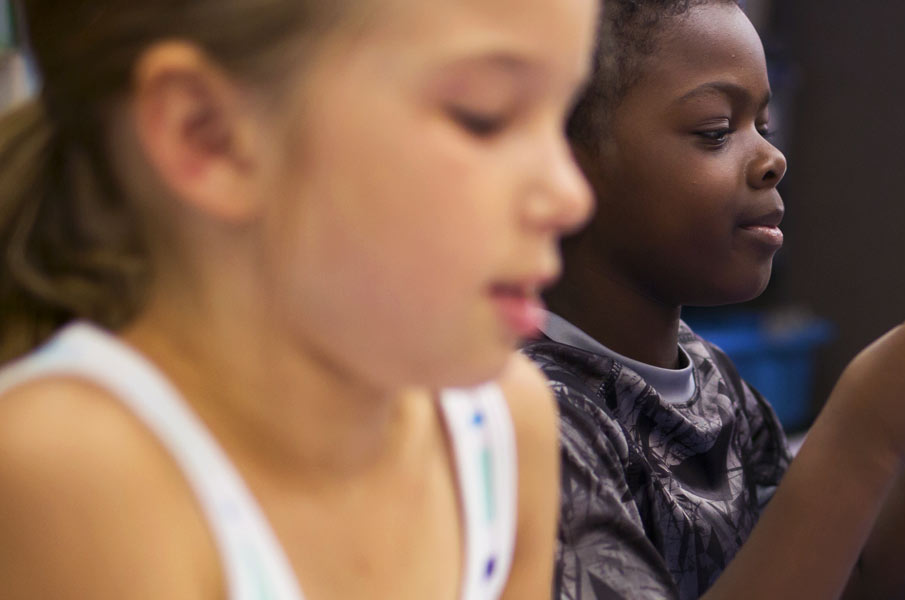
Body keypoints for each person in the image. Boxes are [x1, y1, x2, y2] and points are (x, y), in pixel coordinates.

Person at [0, 0, 597, 597]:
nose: (571, 196)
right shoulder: (80, 470)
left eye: (563, 116)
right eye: (483, 117)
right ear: (209, 134)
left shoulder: (504, 430)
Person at [531, 1, 905, 598]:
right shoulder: (538, 422)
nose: (771, 160)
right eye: (716, 131)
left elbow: (860, 586)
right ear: (567, 165)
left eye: (765, 127)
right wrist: (861, 434)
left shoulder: (713, 380)